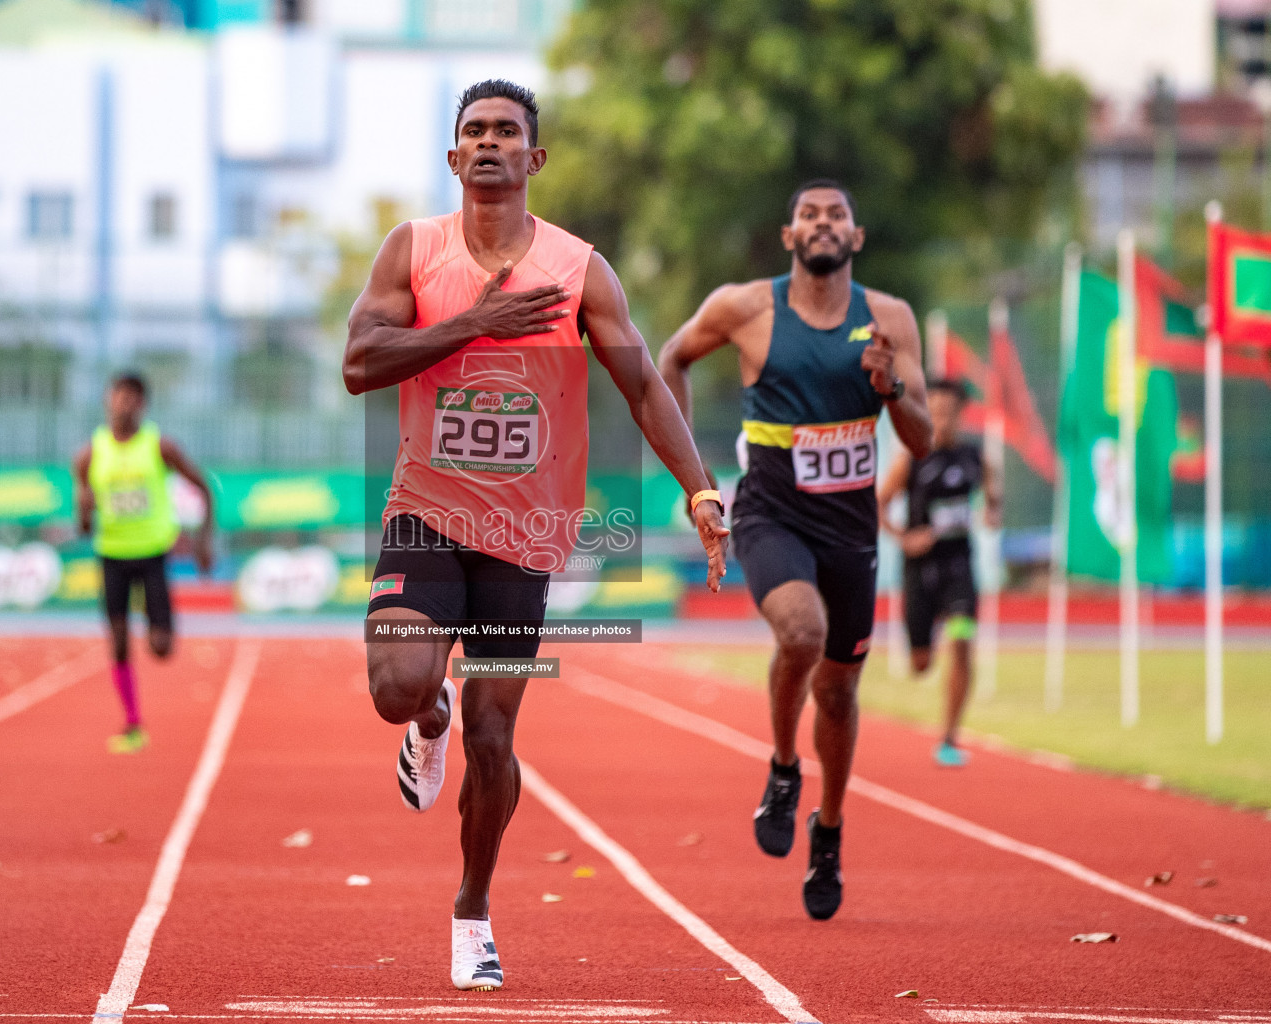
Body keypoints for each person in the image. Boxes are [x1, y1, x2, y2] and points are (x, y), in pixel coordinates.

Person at [342, 79, 728, 990]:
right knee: (399, 688)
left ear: (533, 157)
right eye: (472, 130)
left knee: (493, 738)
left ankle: (472, 911)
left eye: (506, 131)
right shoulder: (416, 249)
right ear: (453, 157)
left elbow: (642, 385)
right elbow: (359, 363)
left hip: (525, 534)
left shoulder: (578, 268)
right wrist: (472, 323)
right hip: (427, 509)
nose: (488, 143)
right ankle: (422, 720)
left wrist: (701, 491)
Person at [657, 180, 932, 921]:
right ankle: (784, 769)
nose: (821, 224)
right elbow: (669, 361)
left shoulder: (891, 319)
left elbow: (923, 435)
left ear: (856, 235)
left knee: (840, 692)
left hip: (851, 528)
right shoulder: (745, 307)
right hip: (772, 513)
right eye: (808, 215)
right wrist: (700, 480)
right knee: (801, 632)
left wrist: (893, 384)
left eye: (835, 214)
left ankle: (830, 830)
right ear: (789, 236)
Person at [73, 372, 215, 754]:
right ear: (106, 399)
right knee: (118, 642)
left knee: (161, 647)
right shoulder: (89, 455)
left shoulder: (160, 447)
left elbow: (202, 486)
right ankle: (132, 722)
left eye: (131, 398)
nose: (122, 404)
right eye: (117, 396)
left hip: (152, 553)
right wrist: (84, 513)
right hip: (112, 554)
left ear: (142, 405)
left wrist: (203, 539)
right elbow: (83, 525)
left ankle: (154, 614)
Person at [878, 377, 1002, 768]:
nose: (942, 420)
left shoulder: (974, 457)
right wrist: (903, 538)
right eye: (934, 412)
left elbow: (993, 495)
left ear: (962, 415)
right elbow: (876, 506)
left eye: (949, 412)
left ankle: (949, 736)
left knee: (962, 640)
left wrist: (992, 511)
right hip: (920, 570)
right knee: (921, 663)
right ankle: (922, 649)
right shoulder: (910, 460)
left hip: (958, 566)